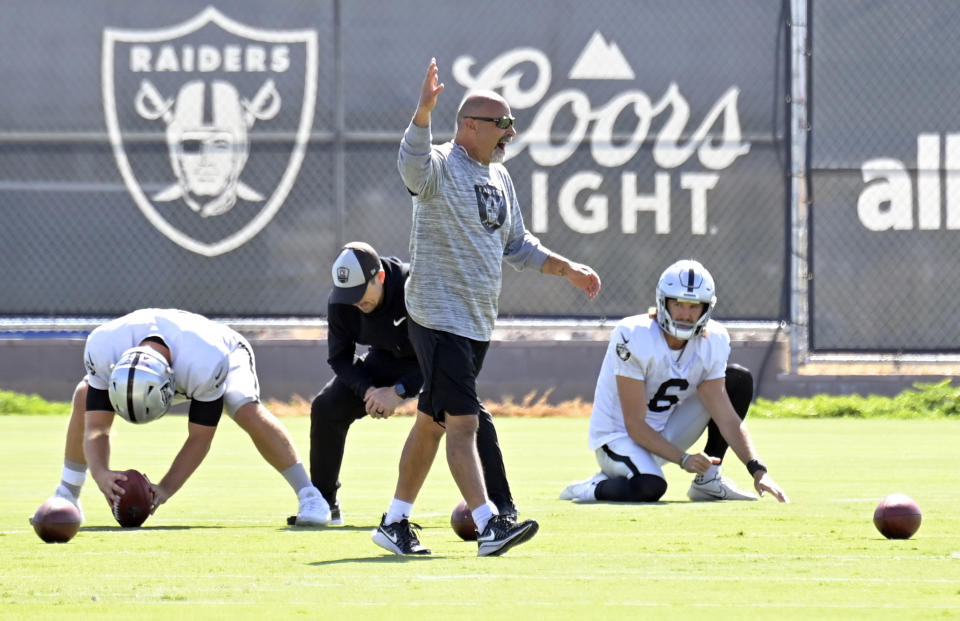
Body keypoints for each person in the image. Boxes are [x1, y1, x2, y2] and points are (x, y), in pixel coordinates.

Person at [371, 57, 602, 557]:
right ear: (470, 126)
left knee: (431, 423)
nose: (511, 133)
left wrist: (569, 269)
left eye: (512, 124)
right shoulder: (438, 167)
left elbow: (517, 244)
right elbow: (411, 163)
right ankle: (488, 523)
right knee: (463, 423)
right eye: (502, 124)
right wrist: (423, 111)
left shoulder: (499, 177)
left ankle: (395, 522)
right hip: (438, 315)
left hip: (475, 322)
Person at [38, 308, 331, 526]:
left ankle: (310, 496)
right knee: (83, 394)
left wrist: (164, 489)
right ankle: (66, 496)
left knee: (242, 407)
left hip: (227, 349)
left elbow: (200, 437)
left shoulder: (204, 362)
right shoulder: (103, 348)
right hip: (167, 353)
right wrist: (101, 473)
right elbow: (97, 427)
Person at [306, 241, 518, 525]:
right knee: (326, 406)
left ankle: (501, 508)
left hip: (434, 357)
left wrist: (398, 392)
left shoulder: (414, 287)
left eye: (360, 293)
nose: (356, 302)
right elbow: (340, 358)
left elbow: (443, 348)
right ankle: (323, 503)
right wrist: (369, 391)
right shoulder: (343, 301)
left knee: (469, 416)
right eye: (348, 295)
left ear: (379, 277)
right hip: (384, 359)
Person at [559, 259, 789, 504]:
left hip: (667, 429)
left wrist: (757, 470)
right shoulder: (633, 334)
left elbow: (725, 416)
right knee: (651, 486)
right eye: (678, 304)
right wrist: (683, 459)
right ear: (662, 302)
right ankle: (591, 487)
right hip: (619, 437)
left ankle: (708, 479)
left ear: (706, 309)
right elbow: (634, 425)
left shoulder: (715, 339)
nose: (685, 314)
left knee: (737, 381)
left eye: (693, 307)